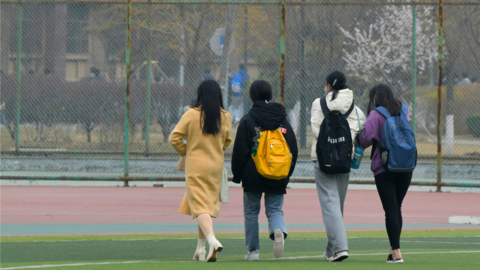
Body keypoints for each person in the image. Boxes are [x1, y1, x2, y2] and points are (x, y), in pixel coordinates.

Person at [231, 80, 298, 261]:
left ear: (252, 96)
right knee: (275, 209)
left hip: (252, 174)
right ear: (269, 95)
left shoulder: (247, 119)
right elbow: (293, 147)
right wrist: (287, 173)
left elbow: (240, 151)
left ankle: (253, 251)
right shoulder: (282, 119)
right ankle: (279, 230)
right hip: (278, 172)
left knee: (251, 211)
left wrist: (237, 176)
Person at [169, 80, 232, 263]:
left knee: (199, 205)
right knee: (205, 205)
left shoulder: (191, 114)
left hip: (195, 165)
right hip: (215, 165)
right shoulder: (225, 115)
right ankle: (201, 248)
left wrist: (186, 150)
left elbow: (174, 138)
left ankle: (212, 240)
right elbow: (227, 140)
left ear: (200, 95)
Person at [310, 71, 365, 262]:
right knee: (337, 204)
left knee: (329, 203)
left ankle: (340, 248)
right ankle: (330, 249)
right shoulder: (357, 111)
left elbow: (316, 129)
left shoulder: (318, 104)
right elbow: (358, 133)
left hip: (322, 158)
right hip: (344, 160)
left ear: (329, 86)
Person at [358, 83, 413, 263]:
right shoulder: (404, 109)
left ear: (376, 96)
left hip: (384, 167)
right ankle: (393, 250)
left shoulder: (376, 115)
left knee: (390, 209)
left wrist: (357, 135)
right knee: (397, 207)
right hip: (405, 167)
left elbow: (365, 140)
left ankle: (397, 253)